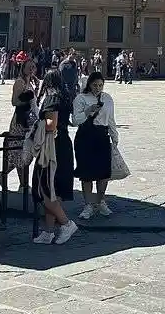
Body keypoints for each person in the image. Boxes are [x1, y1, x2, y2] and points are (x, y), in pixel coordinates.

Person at [31, 70, 78, 245]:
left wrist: (36, 125)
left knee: (44, 189)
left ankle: (66, 224)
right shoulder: (65, 98)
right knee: (54, 191)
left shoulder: (52, 98)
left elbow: (51, 125)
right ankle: (49, 231)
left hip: (52, 148)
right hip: (63, 145)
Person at [73, 72, 117, 219]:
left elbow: (111, 118)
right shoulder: (81, 98)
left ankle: (100, 201)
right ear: (89, 84)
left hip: (102, 136)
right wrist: (88, 111)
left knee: (103, 173)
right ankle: (88, 204)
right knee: (87, 173)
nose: (98, 88)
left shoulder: (107, 98)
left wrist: (114, 136)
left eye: (100, 85)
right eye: (95, 85)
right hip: (85, 136)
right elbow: (75, 120)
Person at [5, 60, 38, 189]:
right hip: (20, 121)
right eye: (28, 67)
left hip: (29, 121)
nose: (31, 69)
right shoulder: (20, 82)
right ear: (23, 68)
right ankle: (23, 184)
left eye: (33, 67)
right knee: (19, 151)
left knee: (24, 152)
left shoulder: (32, 81)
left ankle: (20, 182)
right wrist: (26, 98)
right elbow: (14, 102)